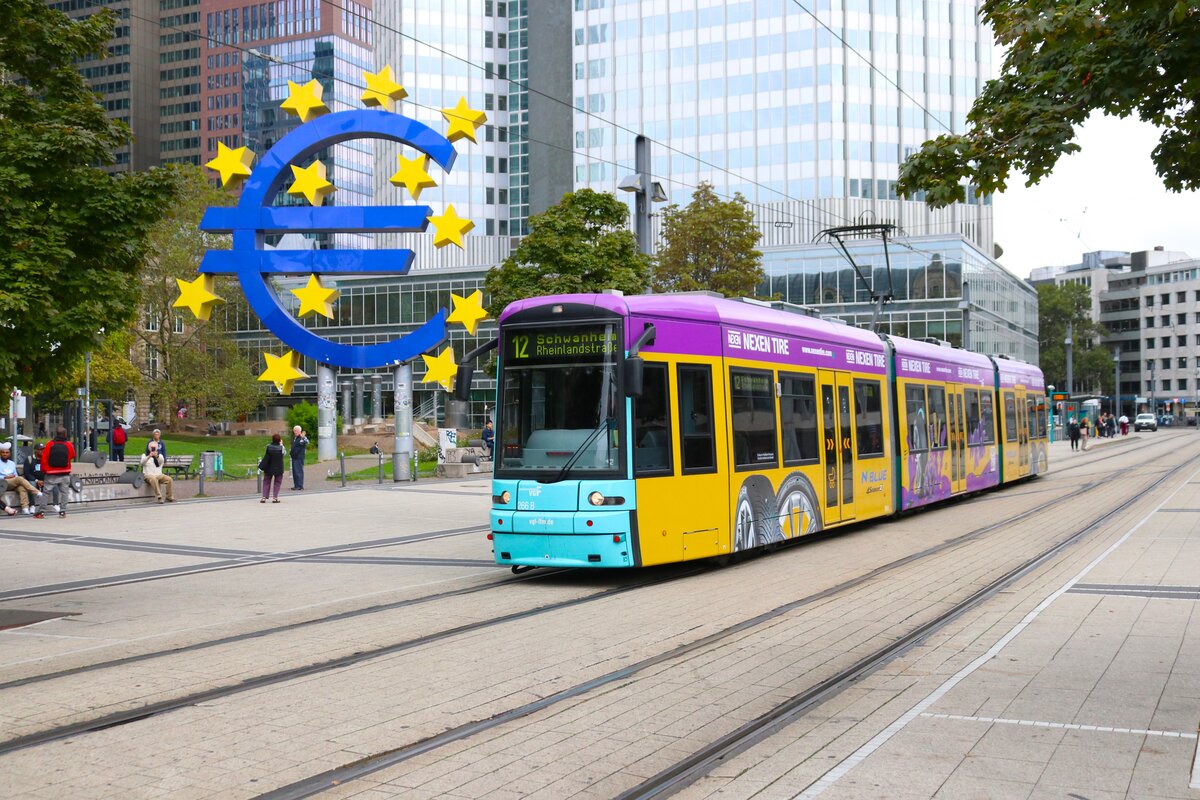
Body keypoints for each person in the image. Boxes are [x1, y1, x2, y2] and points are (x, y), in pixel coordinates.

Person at [0, 442, 43, 516]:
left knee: (21, 487)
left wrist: (13, 477)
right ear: (0, 453)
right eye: (3, 452)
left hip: (13, 482)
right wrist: (5, 477)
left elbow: (16, 475)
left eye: (7, 452)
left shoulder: (12, 463)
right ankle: (37, 492)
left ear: (9, 454)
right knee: (19, 479)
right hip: (3, 482)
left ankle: (25, 508)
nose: (5, 454)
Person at [42, 427, 75, 518]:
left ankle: (41, 512)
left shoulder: (50, 444)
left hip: (51, 472)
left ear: (56, 433)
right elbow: (72, 455)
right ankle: (62, 511)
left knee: (46, 492)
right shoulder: (68, 444)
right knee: (64, 493)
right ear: (65, 434)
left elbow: (44, 458)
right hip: (65, 472)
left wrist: (45, 470)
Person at [23, 443, 49, 518]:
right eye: (40, 450)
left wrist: (44, 480)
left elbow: (48, 471)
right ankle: (32, 505)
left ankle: (56, 504)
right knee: (31, 485)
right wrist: (37, 480)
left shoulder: (46, 459)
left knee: (53, 485)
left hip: (44, 479)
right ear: (35, 450)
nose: (42, 451)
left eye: (43, 449)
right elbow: (27, 473)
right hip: (33, 480)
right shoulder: (29, 459)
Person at [260, 433, 285, 503]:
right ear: (279, 440)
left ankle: (264, 497)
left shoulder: (268, 447)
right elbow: (284, 454)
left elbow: (267, 456)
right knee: (277, 482)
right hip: (279, 468)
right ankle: (275, 498)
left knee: (266, 482)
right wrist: (282, 444)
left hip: (269, 467)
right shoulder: (282, 448)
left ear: (272, 439)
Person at [289, 425, 308, 491]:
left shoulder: (302, 438)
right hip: (294, 457)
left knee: (298, 471)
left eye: (297, 430)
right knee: (294, 472)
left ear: (300, 431)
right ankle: (296, 485)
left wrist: (303, 437)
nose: (295, 432)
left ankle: (299, 485)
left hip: (299, 457)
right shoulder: (295, 438)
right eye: (294, 431)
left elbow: (306, 442)